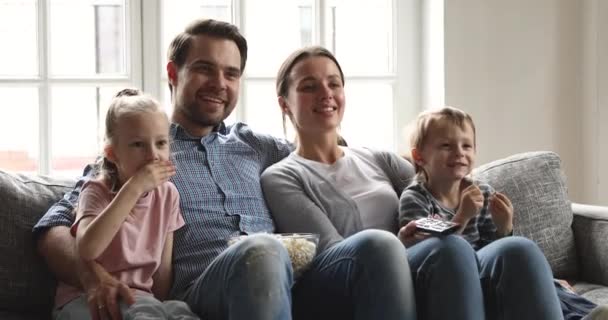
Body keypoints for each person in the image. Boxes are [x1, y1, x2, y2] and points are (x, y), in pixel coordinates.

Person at [34, 19, 415, 320]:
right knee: (262, 250)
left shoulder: (260, 146)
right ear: (173, 73)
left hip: (294, 284)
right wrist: (90, 275)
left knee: (378, 246)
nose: (219, 83)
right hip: (204, 290)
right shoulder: (141, 149)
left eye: (231, 74)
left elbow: (328, 157)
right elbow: (54, 226)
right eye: (204, 69)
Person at [260, 46, 472, 320]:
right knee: (380, 245)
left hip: (408, 262)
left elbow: (437, 194)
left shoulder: (379, 159)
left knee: (507, 250)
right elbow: (334, 252)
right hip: (339, 283)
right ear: (284, 104)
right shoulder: (282, 176)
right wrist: (399, 243)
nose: (326, 93)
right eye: (309, 86)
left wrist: (496, 222)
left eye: (334, 83)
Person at [398, 106, 607, 320]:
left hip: (487, 270)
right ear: (420, 156)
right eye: (446, 145)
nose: (459, 152)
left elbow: (496, 251)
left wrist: (504, 228)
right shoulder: (416, 197)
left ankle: (587, 315)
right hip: (460, 282)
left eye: (467, 146)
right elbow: (425, 252)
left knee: (543, 278)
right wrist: (462, 215)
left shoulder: (483, 192)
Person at [53, 89, 198, 319]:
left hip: (140, 300)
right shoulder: (95, 190)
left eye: (161, 143)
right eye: (138, 145)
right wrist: (134, 188)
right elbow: (87, 249)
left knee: (180, 312)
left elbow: (162, 274)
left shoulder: (168, 195)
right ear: (112, 153)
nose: (153, 155)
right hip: (89, 300)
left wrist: (160, 305)